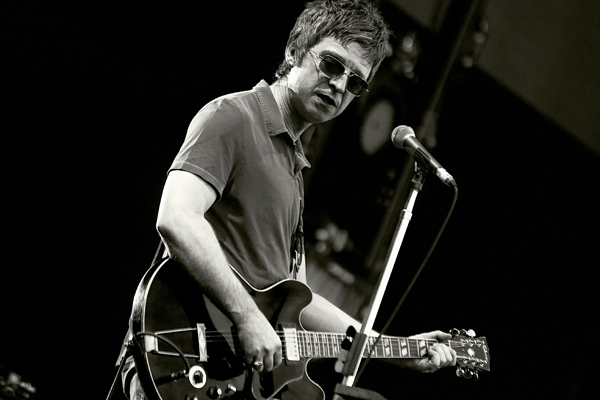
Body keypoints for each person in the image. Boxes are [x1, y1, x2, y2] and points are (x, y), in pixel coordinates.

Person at [122, 1, 457, 398]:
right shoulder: (234, 116)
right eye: (332, 64)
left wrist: (392, 348)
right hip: (180, 358)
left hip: (228, 378)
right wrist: (247, 317)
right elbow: (176, 218)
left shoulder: (293, 170)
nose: (339, 85)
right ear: (295, 49)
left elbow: (298, 301)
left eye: (355, 82)